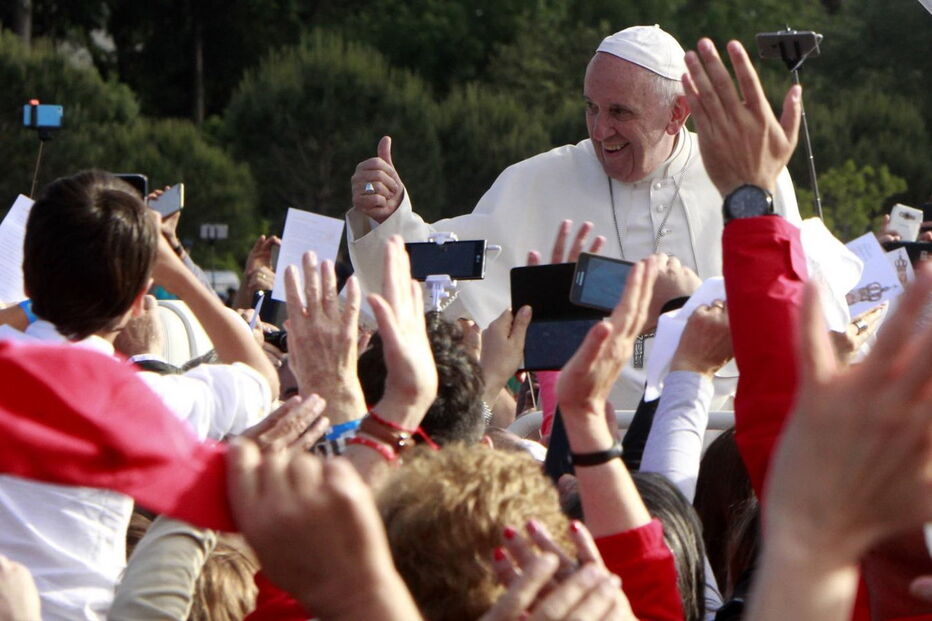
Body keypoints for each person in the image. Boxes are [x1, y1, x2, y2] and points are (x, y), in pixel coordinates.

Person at [346, 24, 800, 407]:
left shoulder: (745, 173)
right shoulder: (538, 182)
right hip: (585, 438)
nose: (601, 130)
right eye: (591, 108)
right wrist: (389, 217)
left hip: (722, 432)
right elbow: (447, 276)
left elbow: (789, 305)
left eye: (619, 112)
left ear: (677, 113)